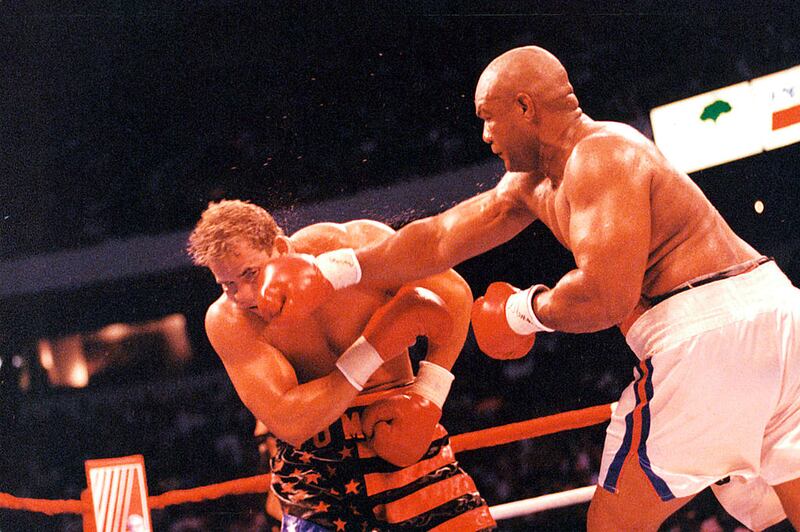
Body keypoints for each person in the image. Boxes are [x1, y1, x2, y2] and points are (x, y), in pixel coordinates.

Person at [257, 45, 800, 531]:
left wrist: (522, 310)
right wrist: (334, 270)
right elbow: (438, 238)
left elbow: (606, 296)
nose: (485, 136)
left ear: (524, 107)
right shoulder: (531, 184)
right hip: (778, 314)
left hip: (707, 328)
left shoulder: (601, 155)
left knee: (615, 523)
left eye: (488, 118)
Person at [187, 199, 495, 531]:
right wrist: (374, 348)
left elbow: (453, 293)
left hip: (405, 430)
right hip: (317, 473)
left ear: (281, 248)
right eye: (228, 285)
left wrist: (428, 395)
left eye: (251, 273)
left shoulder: (352, 246)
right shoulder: (228, 321)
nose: (245, 295)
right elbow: (291, 422)